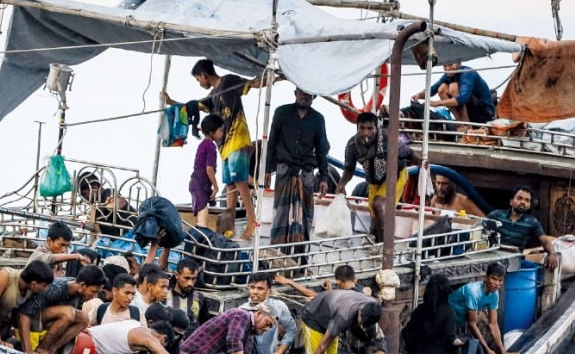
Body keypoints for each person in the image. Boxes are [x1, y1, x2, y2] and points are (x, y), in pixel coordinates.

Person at [163, 59, 262, 239]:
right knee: (230, 184)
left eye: (198, 79)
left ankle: (251, 221)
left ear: (203, 74)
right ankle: (229, 225)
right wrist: (172, 103)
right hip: (223, 145)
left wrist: (273, 78)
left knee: (239, 180)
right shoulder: (212, 95)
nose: (199, 82)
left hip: (238, 138)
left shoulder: (229, 82)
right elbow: (193, 106)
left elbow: (252, 84)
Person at [336, 111, 417, 237]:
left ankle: (387, 246)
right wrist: (342, 184)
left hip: (395, 176)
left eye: (370, 128)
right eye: (362, 128)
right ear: (357, 128)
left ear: (376, 128)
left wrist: (424, 165)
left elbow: (409, 153)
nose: (366, 133)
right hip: (374, 181)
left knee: (379, 204)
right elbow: (349, 169)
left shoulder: (387, 138)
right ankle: (379, 243)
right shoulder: (352, 145)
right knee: (374, 225)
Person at [265, 89, 329, 246]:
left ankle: (302, 250)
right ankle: (278, 249)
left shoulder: (318, 119)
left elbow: (322, 149)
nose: (304, 96)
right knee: (281, 210)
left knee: (306, 213)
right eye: (301, 92)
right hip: (284, 168)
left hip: (306, 170)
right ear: (295, 93)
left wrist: (323, 177)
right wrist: (267, 170)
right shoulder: (281, 112)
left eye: (308, 93)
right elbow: (271, 142)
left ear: (314, 96)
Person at [17, 265, 105, 354]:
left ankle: (51, 350)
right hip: (29, 319)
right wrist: (28, 351)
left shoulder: (79, 293)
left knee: (84, 318)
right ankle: (41, 349)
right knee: (68, 313)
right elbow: (24, 314)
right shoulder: (56, 288)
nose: (95, 296)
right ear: (83, 285)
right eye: (93, 291)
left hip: (45, 323)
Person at [449, 263, 521, 354]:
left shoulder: (494, 294)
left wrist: (503, 352)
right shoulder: (473, 292)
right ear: (485, 278)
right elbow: (472, 324)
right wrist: (487, 350)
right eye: (494, 279)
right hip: (444, 321)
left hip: (457, 323)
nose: (497, 283)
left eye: (500, 280)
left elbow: (493, 324)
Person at [486, 186, 558, 269]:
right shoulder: (496, 215)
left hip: (515, 262)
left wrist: (552, 254)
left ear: (529, 205)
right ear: (511, 201)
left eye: (527, 200)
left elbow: (545, 241)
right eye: (519, 198)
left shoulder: (532, 222)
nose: (523, 202)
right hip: (493, 259)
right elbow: (480, 229)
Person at [0, 259, 53, 346]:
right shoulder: (6, 276)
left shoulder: (31, 291)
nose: (45, 289)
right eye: (44, 286)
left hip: (2, 326)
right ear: (33, 284)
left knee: (17, 346)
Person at [412, 62, 496, 125]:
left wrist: (436, 103)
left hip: (484, 113)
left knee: (453, 87)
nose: (448, 68)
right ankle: (461, 123)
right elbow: (433, 89)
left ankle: (466, 125)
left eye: (451, 65)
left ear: (459, 64)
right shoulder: (449, 75)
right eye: (445, 66)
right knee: (442, 88)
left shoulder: (467, 73)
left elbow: (464, 98)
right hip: (470, 112)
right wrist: (418, 95)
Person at [190, 114, 223, 228]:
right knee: (203, 222)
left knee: (202, 217)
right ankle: (199, 243)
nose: (222, 134)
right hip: (200, 185)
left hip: (197, 183)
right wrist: (216, 186)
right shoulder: (211, 146)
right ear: (211, 132)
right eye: (220, 131)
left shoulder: (203, 144)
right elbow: (209, 169)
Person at [167, 258, 206, 331]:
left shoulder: (200, 298)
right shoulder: (164, 296)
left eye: (193, 279)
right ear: (177, 275)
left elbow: (205, 326)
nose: (190, 283)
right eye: (186, 278)